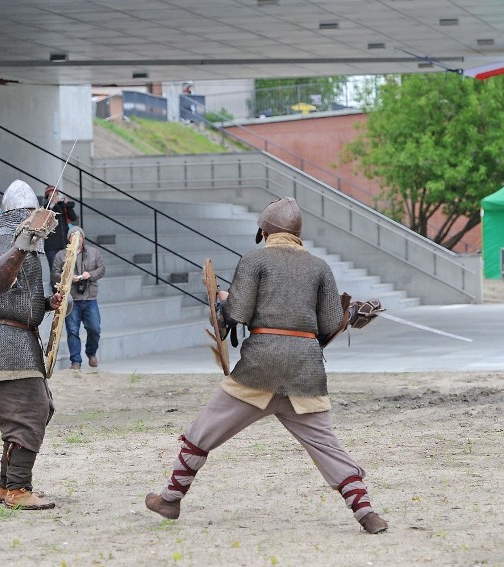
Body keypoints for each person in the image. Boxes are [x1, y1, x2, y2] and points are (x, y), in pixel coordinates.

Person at [144, 197, 389, 535]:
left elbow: (237, 315)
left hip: (260, 368)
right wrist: (353, 313)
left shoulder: (255, 260)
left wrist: (223, 302)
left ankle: (170, 499)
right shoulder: (319, 266)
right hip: (304, 370)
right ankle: (367, 513)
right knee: (327, 447)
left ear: (264, 231)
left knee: (201, 432)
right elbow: (331, 323)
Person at [0, 179, 63, 510]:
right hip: (5, 339)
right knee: (29, 411)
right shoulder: (6, 241)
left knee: (32, 410)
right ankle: (17, 489)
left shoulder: (17, 242)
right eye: (31, 214)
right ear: (22, 214)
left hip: (18, 336)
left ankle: (6, 485)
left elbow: (17, 296)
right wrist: (24, 243)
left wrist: (45, 303)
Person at [51, 226, 105, 370]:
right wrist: (68, 278)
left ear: (83, 237)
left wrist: (90, 275)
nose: (77, 238)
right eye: (73, 236)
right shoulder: (61, 255)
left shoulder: (93, 252)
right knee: (72, 331)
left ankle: (91, 352)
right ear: (69, 238)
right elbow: (54, 274)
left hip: (90, 297)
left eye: (79, 235)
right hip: (72, 299)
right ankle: (76, 361)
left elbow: (101, 269)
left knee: (94, 328)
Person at [41, 185, 78, 271]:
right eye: (51, 195)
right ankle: (53, 285)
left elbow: (73, 218)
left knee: (65, 270)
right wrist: (52, 204)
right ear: (47, 197)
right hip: (51, 246)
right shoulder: (45, 208)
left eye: (55, 195)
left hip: (64, 244)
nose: (54, 197)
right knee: (55, 270)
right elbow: (45, 220)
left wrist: (67, 205)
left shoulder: (63, 206)